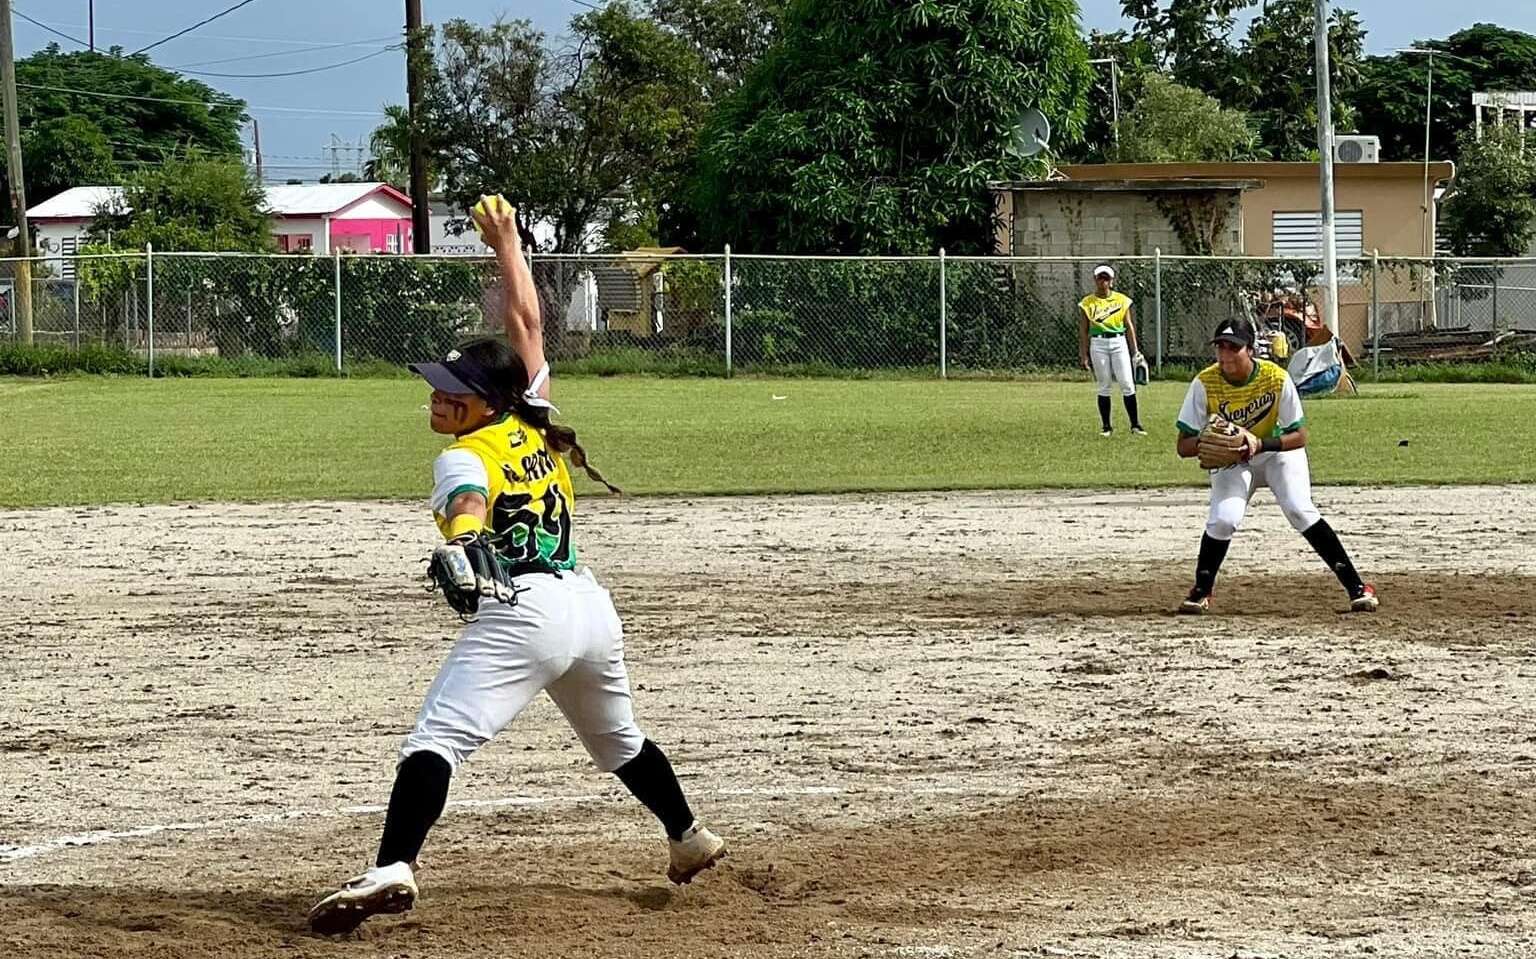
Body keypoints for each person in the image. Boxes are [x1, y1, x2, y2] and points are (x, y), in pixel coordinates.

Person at [307, 196, 726, 936]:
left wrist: (463, 539)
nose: (438, 397)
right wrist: (508, 246)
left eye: (454, 389)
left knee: (434, 741)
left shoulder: (463, 452)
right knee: (620, 742)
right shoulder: (531, 415)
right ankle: (688, 837)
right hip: (589, 611)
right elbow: (528, 326)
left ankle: (393, 866)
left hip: (525, 613)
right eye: (437, 384)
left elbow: (468, 501)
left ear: (484, 401)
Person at [1174, 319, 1379, 615]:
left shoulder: (1275, 378)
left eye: (1233, 347)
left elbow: (1299, 436)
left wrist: (1260, 444)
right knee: (1224, 520)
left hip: (1277, 452)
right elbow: (1183, 445)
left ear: (1250, 350)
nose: (1225, 354)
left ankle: (1357, 588)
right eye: (1220, 347)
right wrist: (1209, 442)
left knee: (1299, 509)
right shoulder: (1204, 383)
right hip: (1234, 459)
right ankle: (1201, 591)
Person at [1077, 264, 1147, 437]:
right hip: (1098, 343)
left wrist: (1135, 351)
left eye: (1106, 278)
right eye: (1100, 278)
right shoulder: (1087, 303)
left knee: (1127, 383)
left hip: (1118, 341)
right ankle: (1106, 427)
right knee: (1104, 385)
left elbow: (1128, 326)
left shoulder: (1121, 300)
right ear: (1095, 280)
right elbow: (1083, 330)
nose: (1103, 282)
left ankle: (1135, 425)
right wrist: (1083, 355)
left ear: (1112, 281)